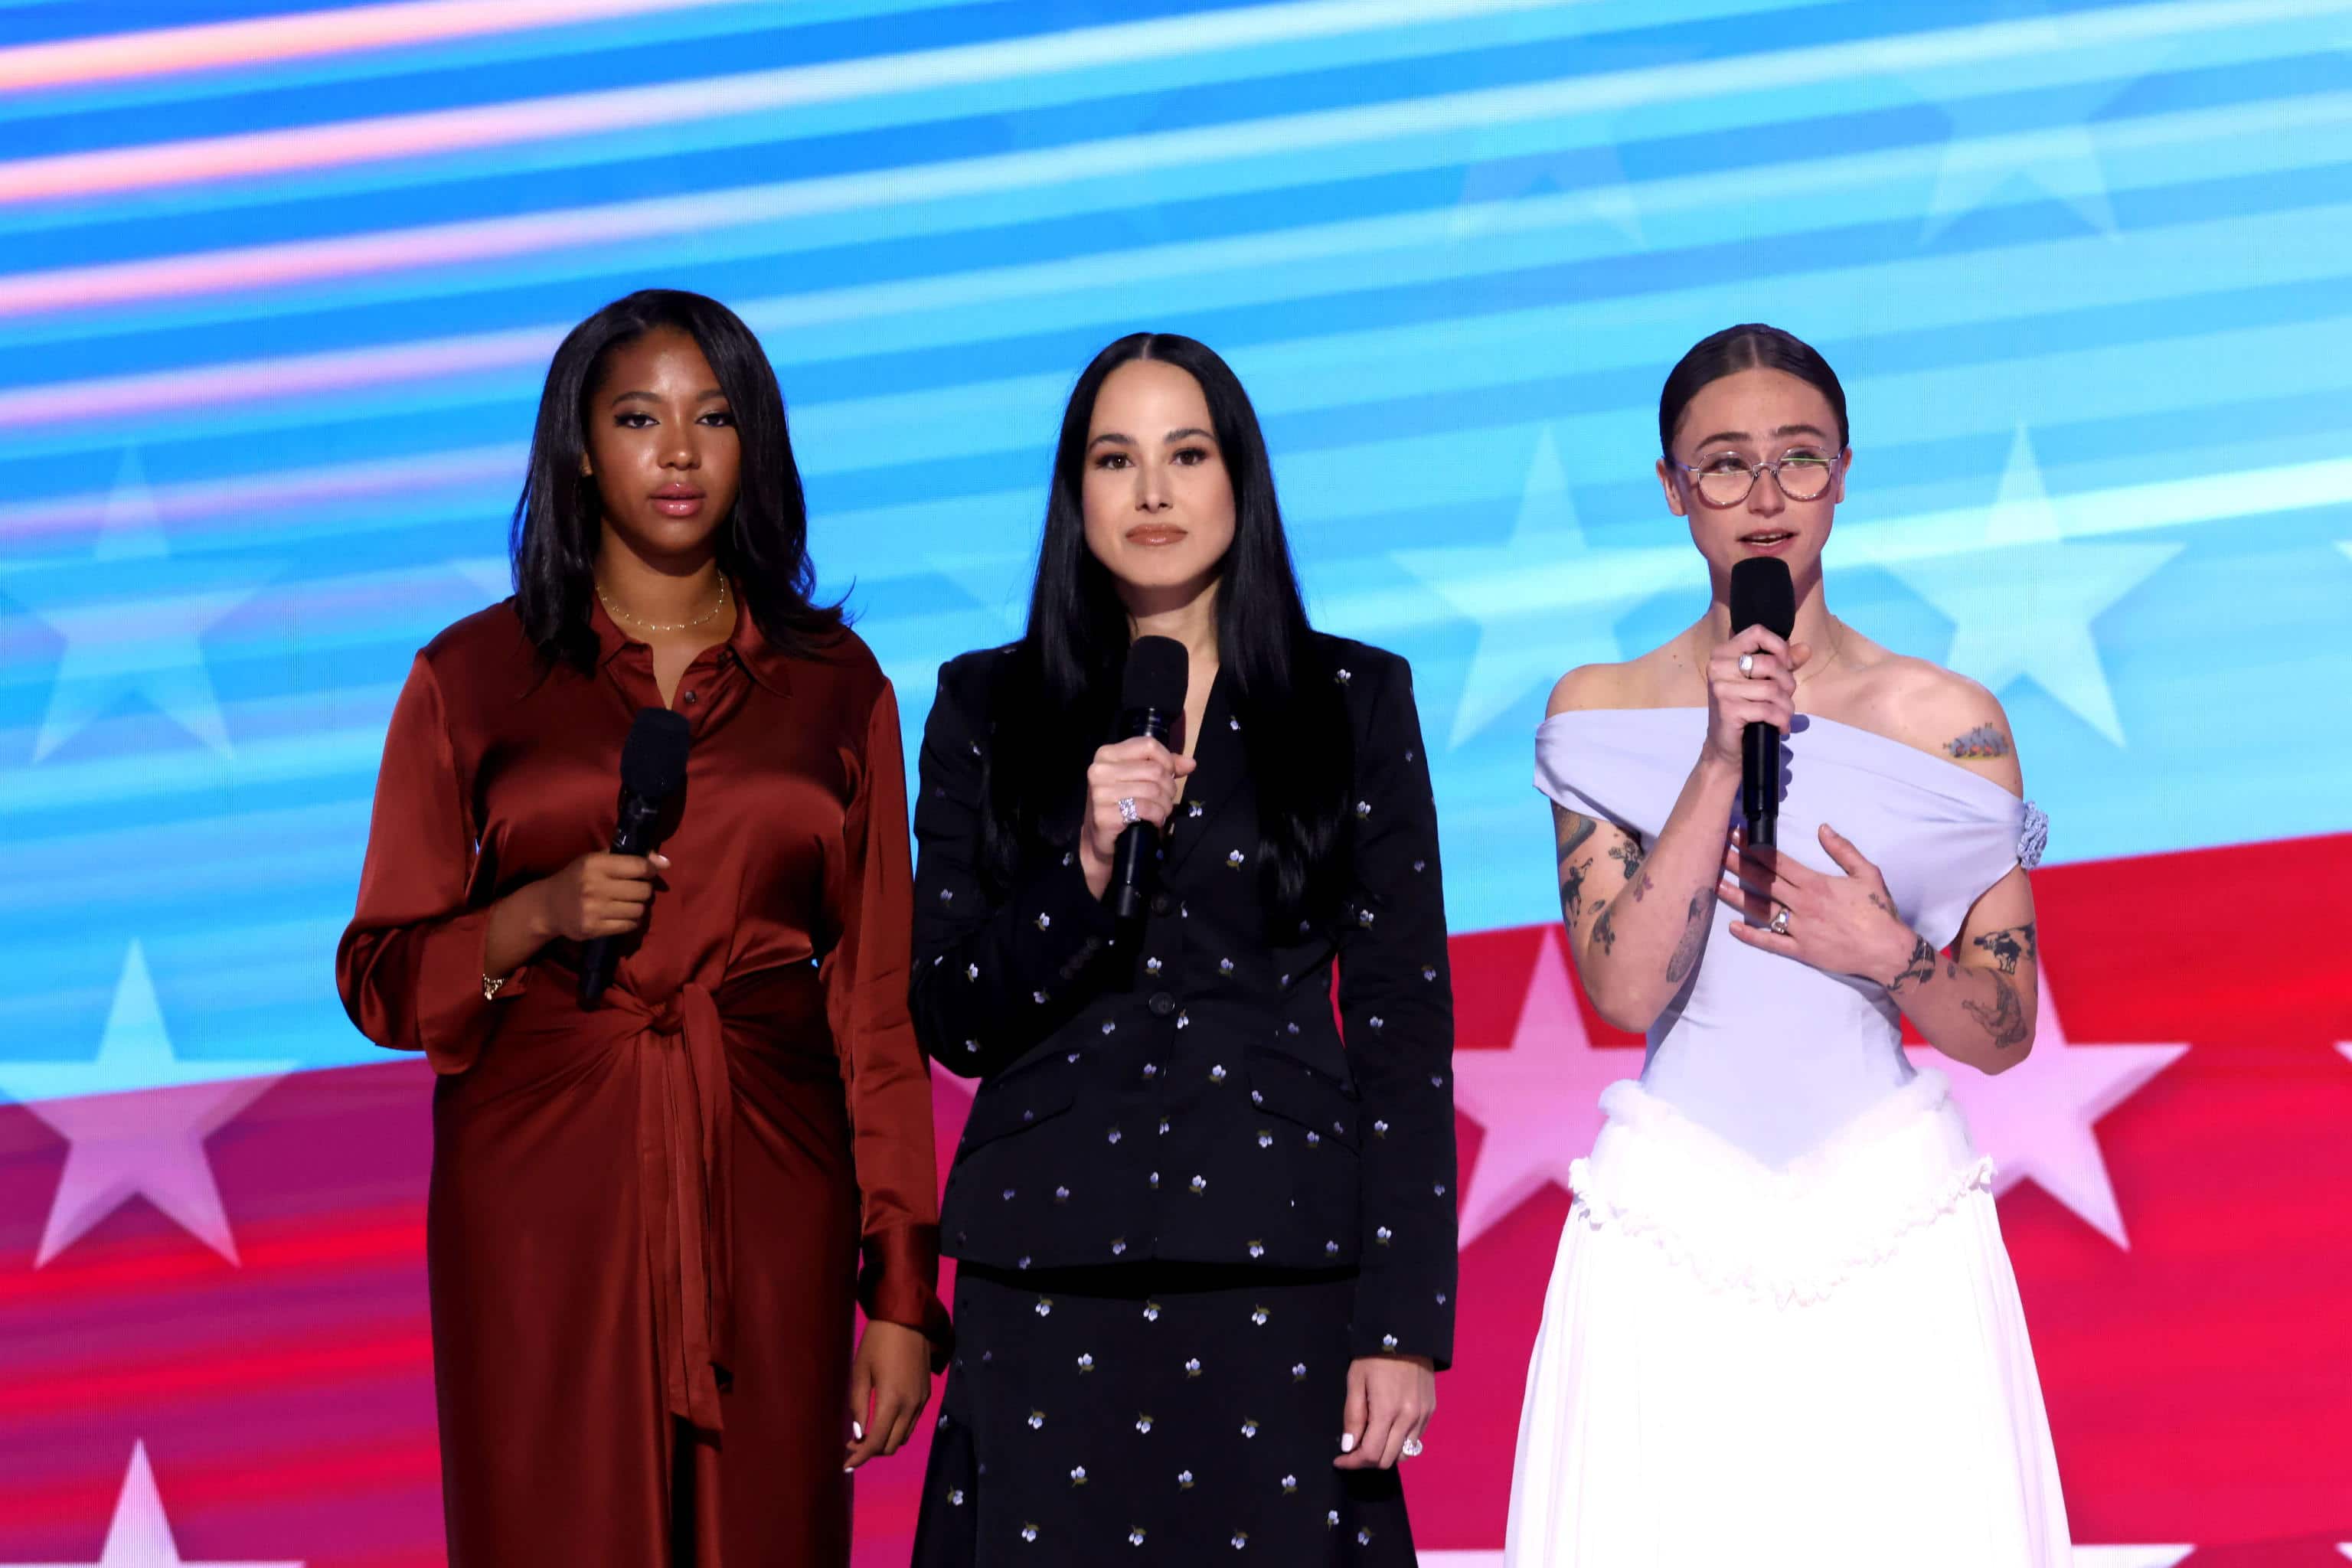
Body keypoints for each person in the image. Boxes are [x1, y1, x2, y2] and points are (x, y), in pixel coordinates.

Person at [335, 289, 947, 1566]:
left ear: (754, 446)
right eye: (639, 418)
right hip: (541, 1191)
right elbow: (382, 977)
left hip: (771, 1179)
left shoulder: (840, 685)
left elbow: (876, 1010)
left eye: (713, 419)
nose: (678, 453)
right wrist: (528, 918)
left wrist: (901, 1293)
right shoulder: (472, 675)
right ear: (578, 447)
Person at [1503, 324, 2070, 1566]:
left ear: (1846, 474)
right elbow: (1624, 984)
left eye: (1798, 460)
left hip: (1894, 1223)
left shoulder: (1950, 724)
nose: (1765, 498)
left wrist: (1893, 957)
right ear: (1672, 490)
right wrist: (1719, 755)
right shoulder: (1599, 712)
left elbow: (2008, 1033)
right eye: (1724, 465)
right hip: (1674, 1224)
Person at [906, 332, 1457, 1563]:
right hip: (1045, 1270)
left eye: (1185, 454)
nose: (1152, 493)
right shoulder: (986, 705)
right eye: (1116, 458)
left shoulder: (1353, 699)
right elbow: (950, 1011)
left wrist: (1404, 1321)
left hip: (1283, 1267)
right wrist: (1086, 869)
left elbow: (1402, 1021)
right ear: (1076, 494)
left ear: (1238, 480)